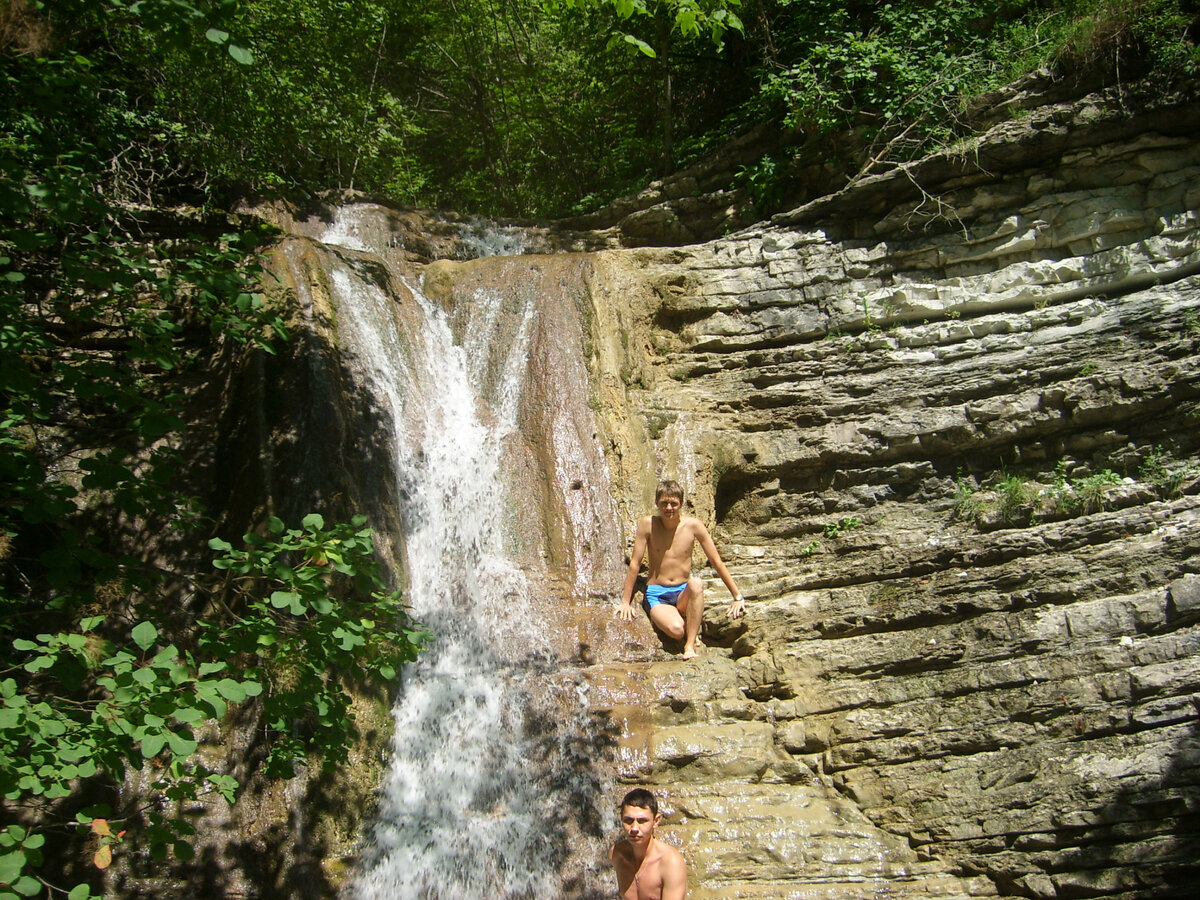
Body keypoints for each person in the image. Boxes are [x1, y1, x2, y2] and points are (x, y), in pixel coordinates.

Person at [617, 479, 745, 659]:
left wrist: (737, 597)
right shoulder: (648, 524)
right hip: (657, 593)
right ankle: (684, 625)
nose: (669, 507)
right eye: (664, 503)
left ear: (681, 504)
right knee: (677, 630)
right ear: (656, 503)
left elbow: (716, 561)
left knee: (696, 583)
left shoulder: (693, 526)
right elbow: (635, 563)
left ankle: (690, 645)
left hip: (682, 593)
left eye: (673, 503)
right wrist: (625, 601)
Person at [609, 788, 687, 900]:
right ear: (621, 818)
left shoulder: (670, 862)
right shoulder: (616, 854)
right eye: (628, 820)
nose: (634, 828)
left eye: (642, 821)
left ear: (656, 821)